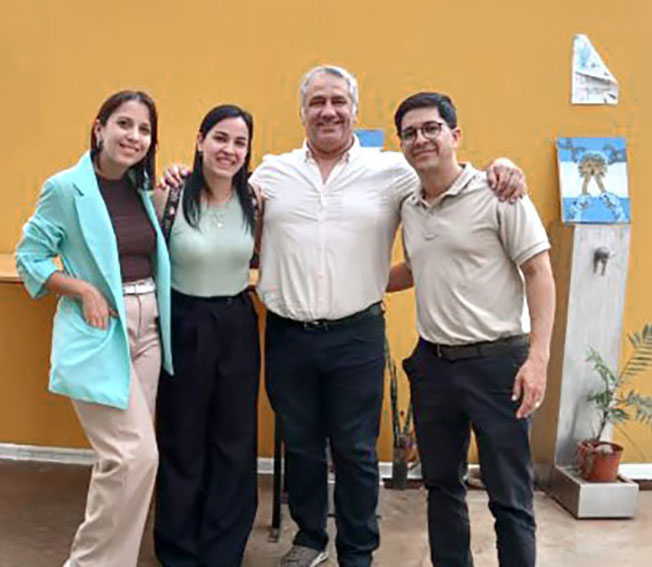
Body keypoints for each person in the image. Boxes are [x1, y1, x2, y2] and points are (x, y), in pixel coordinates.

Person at [161, 65, 525, 567]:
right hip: (288, 334)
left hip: (357, 334)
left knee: (355, 450)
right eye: (317, 102)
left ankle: (357, 551)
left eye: (338, 101)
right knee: (301, 444)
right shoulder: (271, 174)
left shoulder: (392, 171)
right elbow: (221, 190)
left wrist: (501, 168)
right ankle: (311, 537)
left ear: (354, 110)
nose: (328, 111)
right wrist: (180, 172)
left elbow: (447, 176)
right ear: (303, 113)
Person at [389, 92, 555, 567]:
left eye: (431, 128)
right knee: (442, 487)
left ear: (455, 135)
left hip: (497, 364)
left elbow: (539, 273)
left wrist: (538, 358)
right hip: (434, 365)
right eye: (410, 132)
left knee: (510, 494)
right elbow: (419, 268)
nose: (421, 139)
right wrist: (352, 281)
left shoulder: (498, 193)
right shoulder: (411, 205)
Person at [15, 90, 173, 567]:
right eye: (124, 124)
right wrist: (82, 289)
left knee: (122, 463)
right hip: (102, 331)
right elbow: (29, 258)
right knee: (133, 457)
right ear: (99, 127)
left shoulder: (140, 190)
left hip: (149, 331)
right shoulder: (65, 188)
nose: (134, 136)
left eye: (144, 130)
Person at [152, 104, 260, 567]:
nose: (229, 150)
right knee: (182, 437)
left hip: (237, 323)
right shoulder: (170, 196)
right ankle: (178, 548)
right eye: (220, 138)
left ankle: (223, 549)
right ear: (200, 141)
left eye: (239, 142)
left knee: (234, 440)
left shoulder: (255, 199)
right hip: (185, 322)